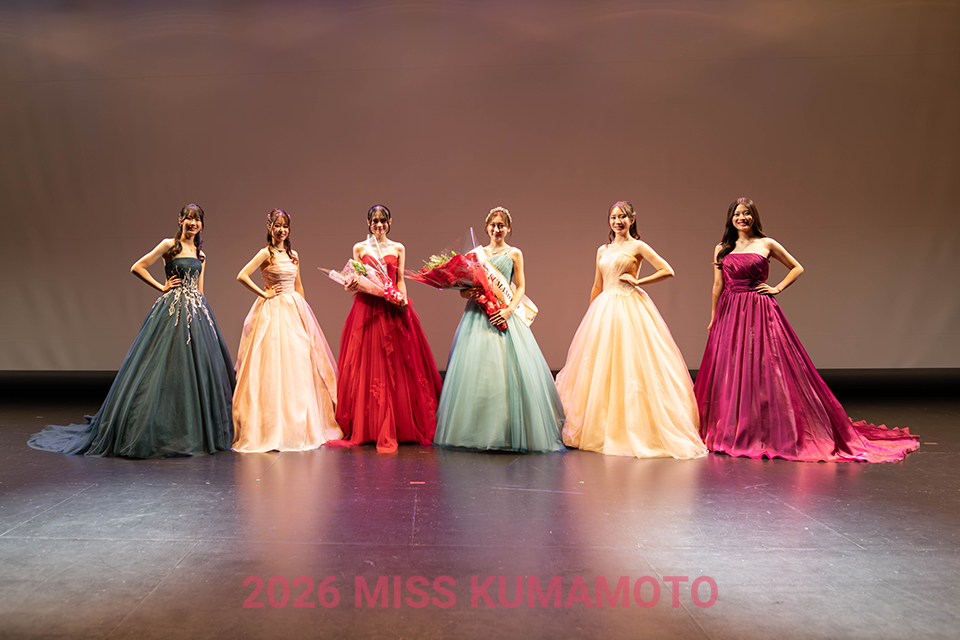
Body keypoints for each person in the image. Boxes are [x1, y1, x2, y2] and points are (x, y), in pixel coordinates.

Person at [694, 197, 919, 462]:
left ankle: (769, 430)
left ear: (754, 216)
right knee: (731, 368)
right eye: (737, 214)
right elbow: (717, 285)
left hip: (759, 309)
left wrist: (777, 288)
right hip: (730, 310)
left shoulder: (766, 243)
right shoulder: (722, 248)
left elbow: (797, 267)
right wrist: (714, 316)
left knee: (766, 366)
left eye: (746, 213)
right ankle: (733, 428)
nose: (741, 218)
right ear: (730, 219)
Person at [28, 204, 235, 458]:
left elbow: (200, 290)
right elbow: (138, 266)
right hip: (172, 311)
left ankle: (193, 430)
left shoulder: (201, 255)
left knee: (197, 371)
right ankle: (155, 429)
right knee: (162, 367)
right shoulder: (169, 245)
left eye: (198, 220)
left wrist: (204, 315)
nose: (193, 223)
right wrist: (162, 286)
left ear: (202, 224)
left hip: (198, 314)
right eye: (189, 219)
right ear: (180, 220)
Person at [556, 201, 706, 458]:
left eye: (623, 217)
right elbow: (597, 285)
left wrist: (639, 281)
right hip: (605, 309)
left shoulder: (638, 246)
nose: (618, 221)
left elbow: (667, 270)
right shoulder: (602, 250)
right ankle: (600, 426)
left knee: (632, 365)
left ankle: (634, 427)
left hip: (629, 307)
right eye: (614, 217)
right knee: (601, 368)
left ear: (632, 219)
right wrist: (590, 317)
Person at [434, 207, 565, 453]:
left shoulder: (515, 253)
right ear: (486, 227)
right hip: (477, 316)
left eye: (501, 225)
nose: (497, 229)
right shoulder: (475, 254)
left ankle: (506, 432)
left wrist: (509, 310)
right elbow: (463, 290)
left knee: (508, 373)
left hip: (504, 314)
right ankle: (474, 432)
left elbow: (521, 287)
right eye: (493, 225)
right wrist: (469, 294)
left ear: (508, 229)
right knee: (476, 373)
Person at [332, 205, 442, 453]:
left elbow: (400, 280)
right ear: (368, 223)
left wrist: (402, 301)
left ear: (390, 222)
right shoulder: (360, 248)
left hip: (393, 308)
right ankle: (371, 426)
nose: (379, 225)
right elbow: (356, 280)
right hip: (367, 310)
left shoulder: (398, 248)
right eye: (375, 221)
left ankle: (400, 425)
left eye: (383, 221)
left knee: (398, 365)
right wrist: (350, 285)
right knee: (370, 364)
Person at [232, 209, 341, 452]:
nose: (281, 230)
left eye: (285, 226)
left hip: (294, 309)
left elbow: (299, 286)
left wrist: (305, 317)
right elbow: (242, 275)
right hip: (273, 312)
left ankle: (300, 425)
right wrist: (264, 293)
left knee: (299, 365)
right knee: (274, 366)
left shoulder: (294, 255)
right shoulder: (265, 253)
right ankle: (274, 427)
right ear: (269, 226)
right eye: (277, 225)